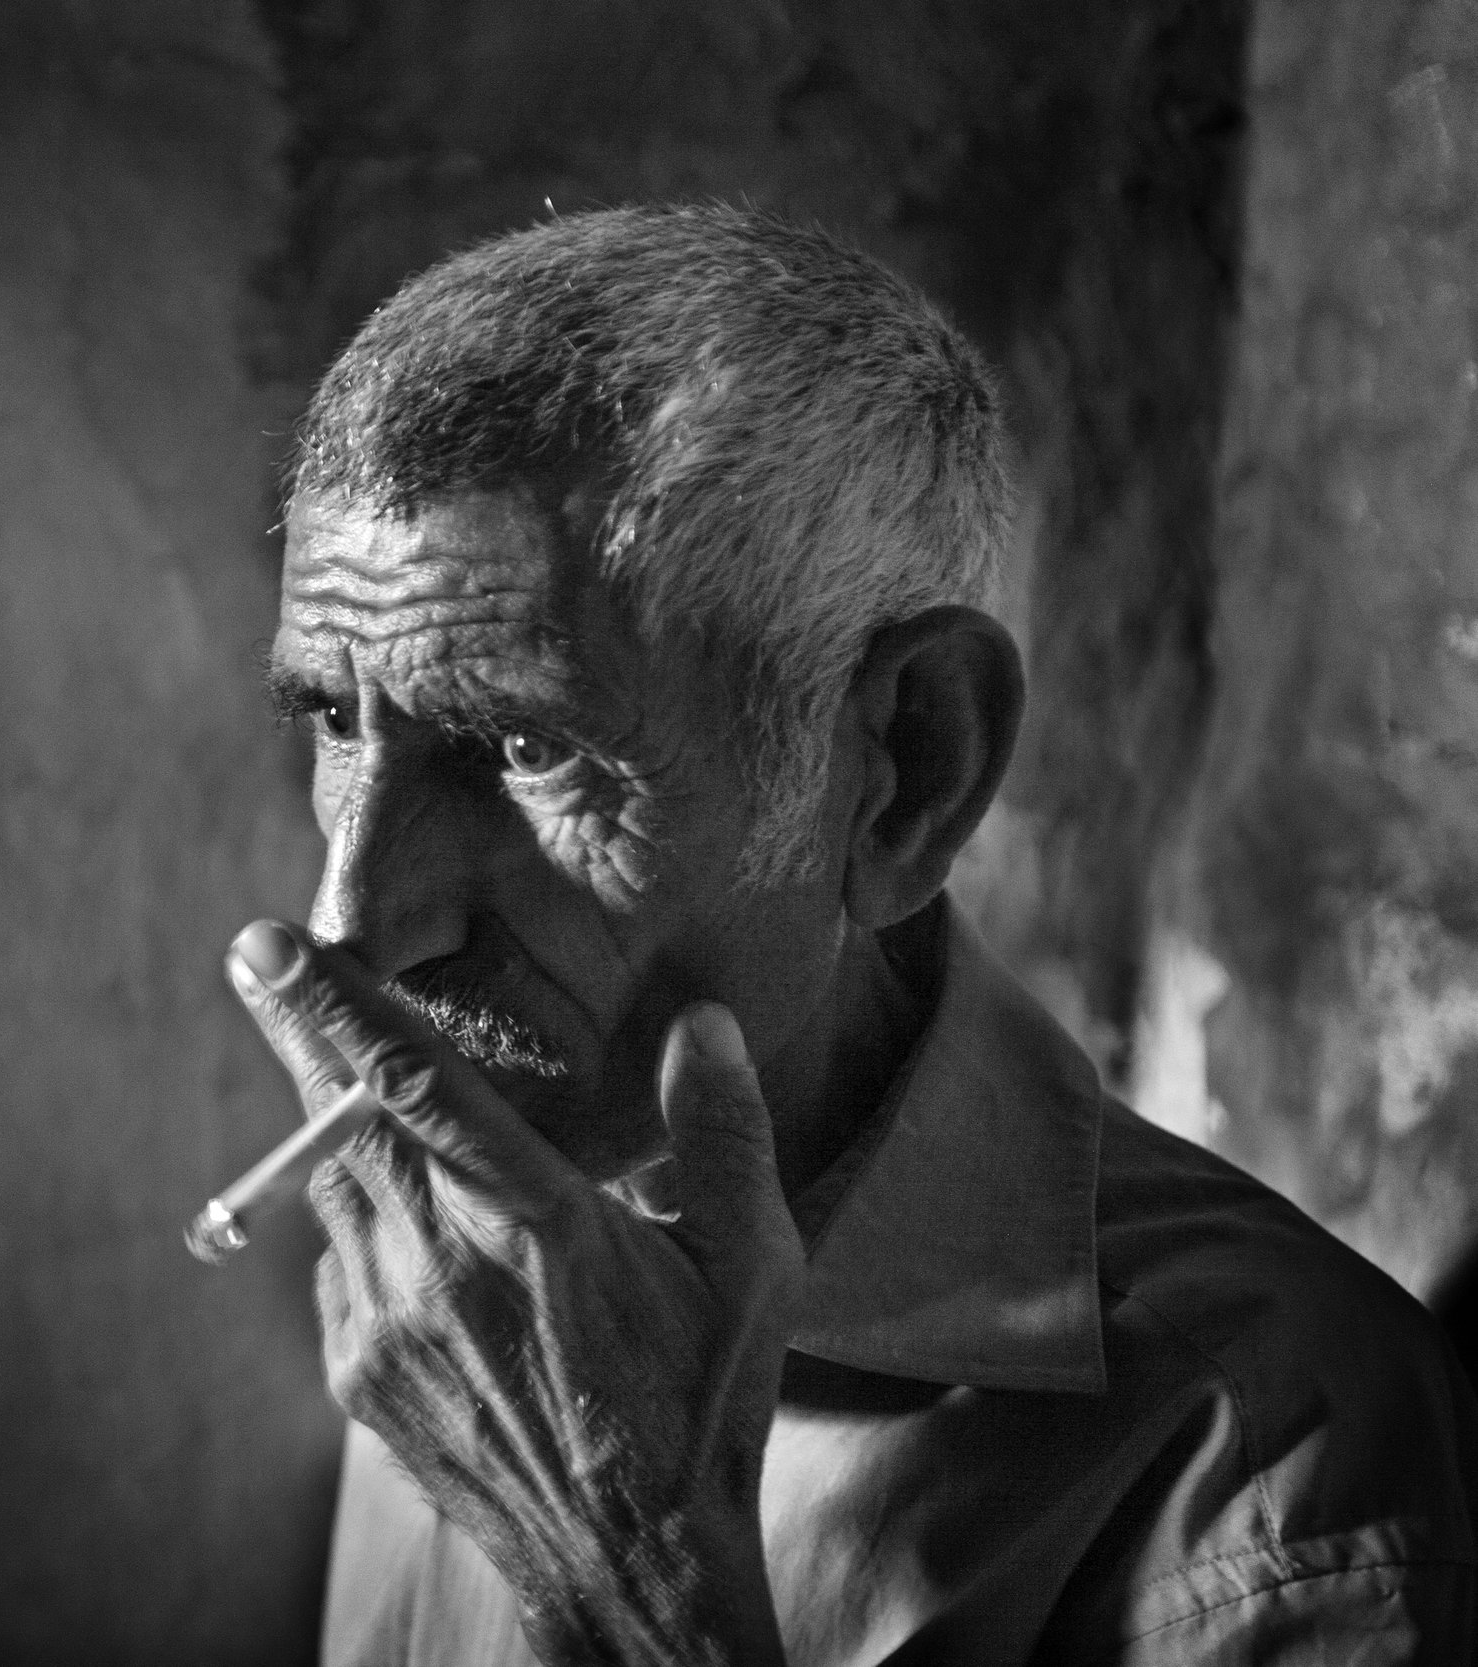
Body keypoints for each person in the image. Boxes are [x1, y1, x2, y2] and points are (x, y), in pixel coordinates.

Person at [223, 204, 1478, 1665]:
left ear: (904, 772)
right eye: (329, 712)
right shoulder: (458, 1293)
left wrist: (637, 1588)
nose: (360, 923)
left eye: (519, 747)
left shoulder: (1261, 1471)